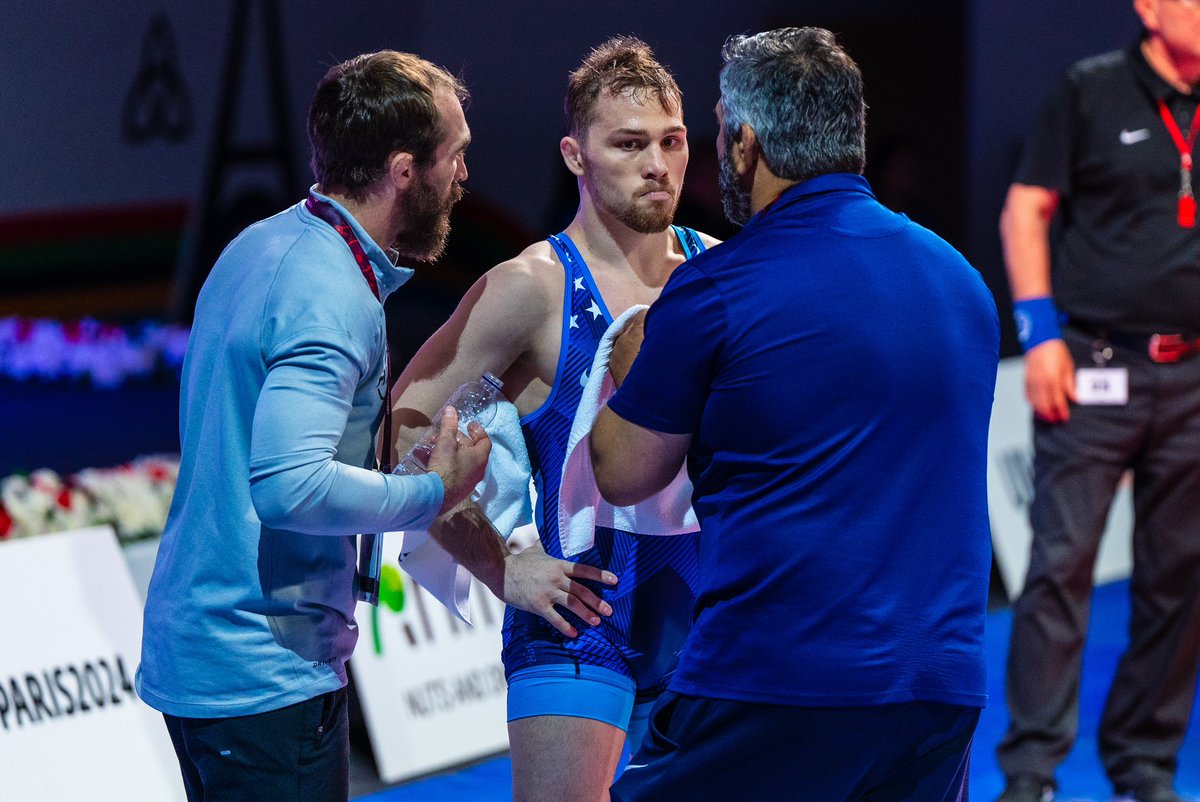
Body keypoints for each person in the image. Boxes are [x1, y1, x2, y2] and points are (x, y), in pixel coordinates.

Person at [136, 50, 612, 802]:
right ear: (402, 171)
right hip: (263, 674)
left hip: (207, 654)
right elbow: (288, 488)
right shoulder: (331, 295)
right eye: (454, 157)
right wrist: (428, 492)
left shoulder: (261, 246)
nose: (463, 176)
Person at [591, 27, 1000, 800]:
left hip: (775, 679)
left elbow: (624, 471)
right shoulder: (962, 283)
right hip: (940, 685)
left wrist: (630, 363)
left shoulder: (718, 288)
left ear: (744, 142)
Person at [389, 36, 719, 802]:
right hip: (577, 621)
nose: (658, 165)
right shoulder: (530, 288)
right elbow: (404, 426)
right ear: (576, 156)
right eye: (629, 144)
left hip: (706, 616)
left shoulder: (718, 272)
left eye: (671, 142)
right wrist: (501, 565)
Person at [994, 2, 1200, 800]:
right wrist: (1041, 335)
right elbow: (1026, 211)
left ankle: (1145, 761)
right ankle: (1032, 770)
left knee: (1177, 575)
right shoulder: (1092, 90)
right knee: (1059, 567)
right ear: (1151, 7)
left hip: (1191, 376)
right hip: (1093, 366)